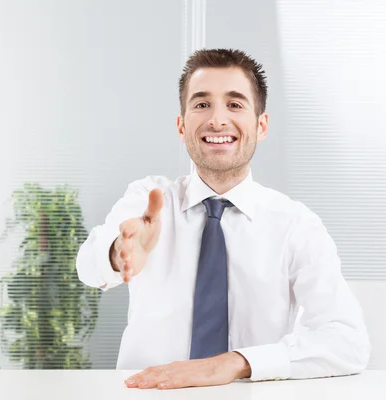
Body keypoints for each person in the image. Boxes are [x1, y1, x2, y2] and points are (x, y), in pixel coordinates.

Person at [76, 48, 370, 390]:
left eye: (235, 104)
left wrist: (238, 362)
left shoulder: (295, 224)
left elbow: (347, 341)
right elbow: (88, 266)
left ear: (261, 125)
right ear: (181, 125)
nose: (217, 120)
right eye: (201, 104)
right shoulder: (149, 200)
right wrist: (118, 253)